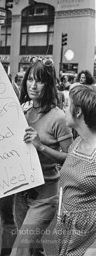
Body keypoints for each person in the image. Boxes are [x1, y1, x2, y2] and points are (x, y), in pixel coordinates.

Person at [10, 57, 73, 256]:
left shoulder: (58, 117)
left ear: (49, 84)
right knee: (32, 248)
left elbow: (71, 159)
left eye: (40, 80)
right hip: (22, 191)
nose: (33, 85)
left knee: (21, 249)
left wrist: (41, 146)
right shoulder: (23, 111)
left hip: (45, 195)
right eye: (30, 79)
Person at [55, 85, 96, 256]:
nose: (63, 108)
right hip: (68, 229)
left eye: (66, 104)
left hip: (88, 236)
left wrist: (93, 249)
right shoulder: (77, 142)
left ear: (78, 111)